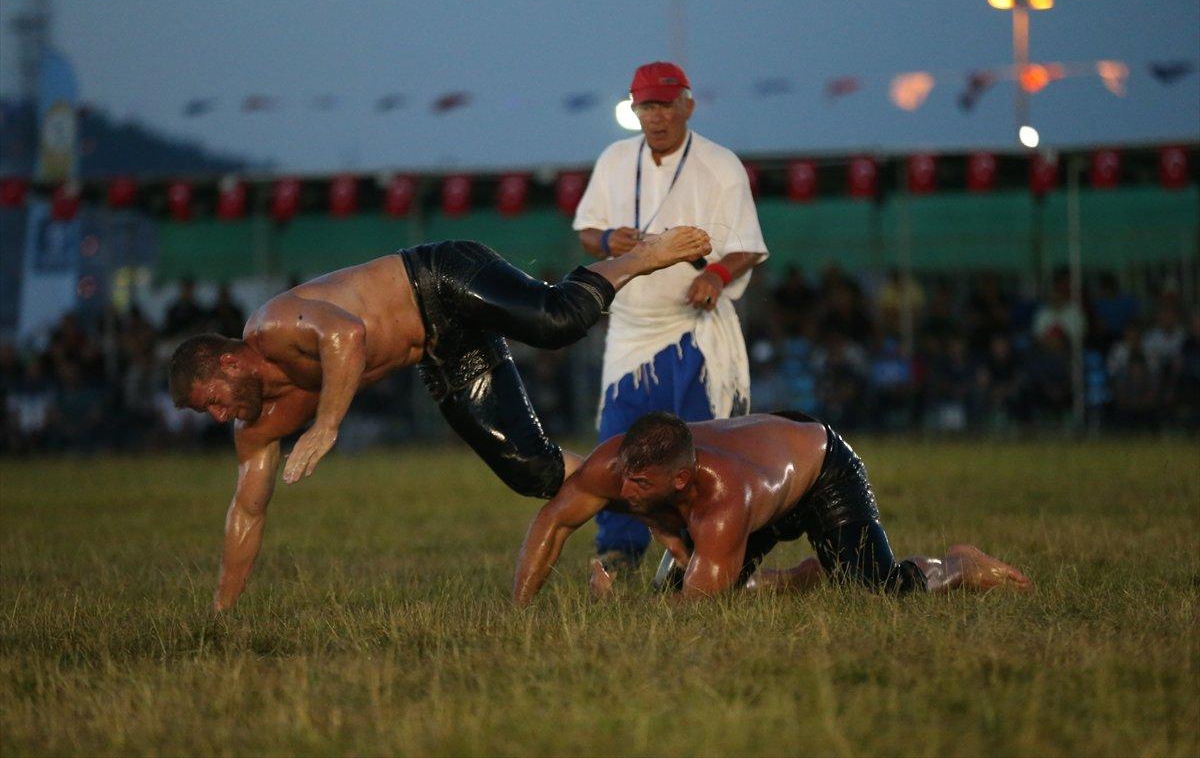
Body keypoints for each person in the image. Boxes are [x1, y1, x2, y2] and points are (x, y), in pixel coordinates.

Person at [168, 230, 711, 612]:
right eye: (207, 413)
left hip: (440, 276)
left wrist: (325, 426)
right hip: (441, 350)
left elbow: (346, 337)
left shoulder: (270, 326)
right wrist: (222, 612)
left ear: (229, 361)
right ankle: (660, 515)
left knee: (557, 320)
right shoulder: (257, 427)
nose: (218, 415)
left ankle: (643, 256)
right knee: (533, 471)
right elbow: (247, 511)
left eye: (210, 400)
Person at [512, 411, 1032, 605]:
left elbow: (695, 611)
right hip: (767, 452)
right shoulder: (620, 464)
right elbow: (552, 522)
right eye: (623, 477)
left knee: (874, 591)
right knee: (681, 578)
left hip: (819, 467)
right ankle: (802, 577)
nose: (622, 491)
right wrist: (521, 611)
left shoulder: (723, 503)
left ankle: (959, 565)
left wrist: (614, 608)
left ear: (681, 478)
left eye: (639, 484)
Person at [573, 61, 768, 572]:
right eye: (646, 106)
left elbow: (747, 245)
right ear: (633, 109)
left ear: (688, 105)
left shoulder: (720, 164)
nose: (655, 116)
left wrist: (716, 277)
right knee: (618, 443)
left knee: (697, 444)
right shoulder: (615, 159)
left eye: (664, 104)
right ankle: (618, 549)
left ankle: (704, 549)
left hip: (693, 326)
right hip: (631, 325)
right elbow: (587, 231)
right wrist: (609, 239)